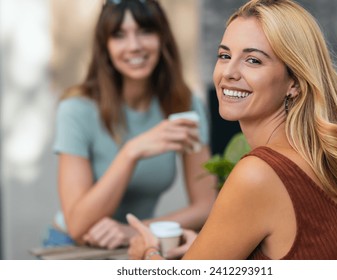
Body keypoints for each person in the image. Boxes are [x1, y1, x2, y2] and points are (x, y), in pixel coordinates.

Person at [127, 0, 337, 260]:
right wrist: (216, 242)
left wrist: (148, 251)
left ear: (294, 83)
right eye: (224, 55)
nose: (228, 72)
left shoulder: (258, 174)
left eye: (253, 60)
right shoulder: (319, 159)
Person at [43, 0, 217, 254]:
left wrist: (136, 230)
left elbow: (206, 205)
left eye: (146, 31)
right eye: (119, 35)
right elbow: (78, 225)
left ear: (162, 38)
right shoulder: (77, 109)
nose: (134, 46)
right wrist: (131, 152)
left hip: (139, 244)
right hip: (71, 246)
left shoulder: (183, 104)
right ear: (105, 47)